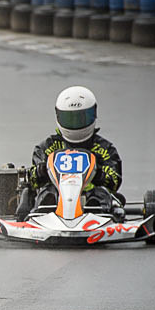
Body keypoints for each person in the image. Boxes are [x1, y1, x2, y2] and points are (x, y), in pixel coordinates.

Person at [23, 86, 123, 219]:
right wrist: (41, 171)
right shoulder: (48, 147)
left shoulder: (103, 148)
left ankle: (97, 212)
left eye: (80, 118)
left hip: (90, 195)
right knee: (48, 193)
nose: (75, 123)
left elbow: (115, 181)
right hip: (58, 196)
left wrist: (98, 172)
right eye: (70, 118)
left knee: (100, 194)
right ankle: (44, 212)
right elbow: (33, 181)